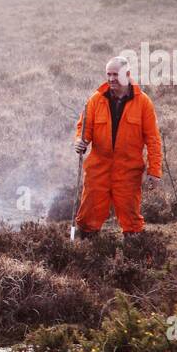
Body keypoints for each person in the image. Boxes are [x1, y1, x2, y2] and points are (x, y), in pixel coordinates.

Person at [72, 56, 163, 237]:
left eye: (115, 74)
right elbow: (84, 128)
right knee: (88, 216)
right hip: (98, 168)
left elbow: (153, 139)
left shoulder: (143, 103)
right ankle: (86, 254)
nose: (111, 78)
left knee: (131, 220)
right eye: (108, 74)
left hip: (128, 170)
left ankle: (132, 257)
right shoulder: (95, 100)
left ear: (127, 75)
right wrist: (80, 142)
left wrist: (154, 171)